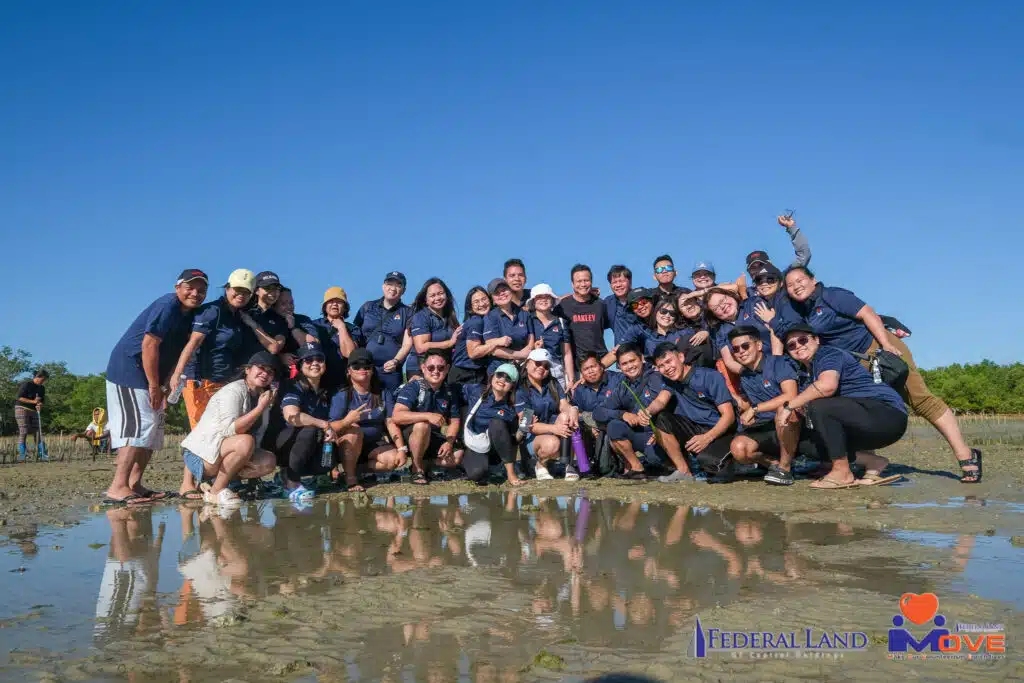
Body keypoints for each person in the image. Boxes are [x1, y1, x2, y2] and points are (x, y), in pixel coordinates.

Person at [780, 266, 981, 483]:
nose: (796, 286)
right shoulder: (805, 312)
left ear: (813, 280)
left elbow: (867, 313)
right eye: (790, 285)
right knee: (862, 406)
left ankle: (966, 455)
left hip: (876, 349)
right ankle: (871, 464)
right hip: (853, 363)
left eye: (800, 280)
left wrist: (886, 344)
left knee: (920, 400)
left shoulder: (832, 296)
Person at [103, 269, 208, 505]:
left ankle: (135, 484)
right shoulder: (167, 305)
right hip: (130, 371)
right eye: (190, 287)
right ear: (177, 287)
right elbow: (149, 344)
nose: (195, 293)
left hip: (154, 376)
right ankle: (117, 486)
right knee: (136, 428)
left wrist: (165, 384)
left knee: (152, 430)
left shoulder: (191, 315)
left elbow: (177, 352)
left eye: (201, 290)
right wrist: (153, 385)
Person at [777, 324, 908, 489]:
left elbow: (827, 386)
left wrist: (789, 406)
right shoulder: (805, 372)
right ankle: (873, 462)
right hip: (863, 421)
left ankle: (842, 473)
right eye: (791, 345)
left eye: (803, 340)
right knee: (806, 444)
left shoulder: (828, 354)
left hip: (888, 415)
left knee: (820, 406)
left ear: (816, 340)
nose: (798, 346)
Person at [179, 351, 279, 508]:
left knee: (268, 461)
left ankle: (218, 483)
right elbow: (230, 430)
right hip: (201, 456)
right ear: (247, 370)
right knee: (245, 442)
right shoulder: (233, 391)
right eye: (261, 368)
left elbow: (258, 435)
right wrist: (260, 408)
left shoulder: (262, 396)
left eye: (270, 372)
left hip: (224, 452)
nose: (265, 374)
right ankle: (216, 492)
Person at [725, 326, 815, 485]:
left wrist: (755, 409)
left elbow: (791, 396)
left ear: (759, 345)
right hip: (764, 425)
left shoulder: (778, 363)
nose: (741, 351)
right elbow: (748, 403)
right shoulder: (745, 375)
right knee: (738, 449)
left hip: (793, 425)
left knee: (785, 409)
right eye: (736, 349)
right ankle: (776, 465)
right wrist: (738, 403)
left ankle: (785, 470)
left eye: (745, 346)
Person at [170, 268, 258, 429]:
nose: (241, 295)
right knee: (202, 432)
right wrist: (177, 374)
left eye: (246, 292)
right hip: (200, 380)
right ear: (227, 288)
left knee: (220, 432)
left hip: (224, 382)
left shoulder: (239, 316)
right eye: (237, 289)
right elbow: (193, 343)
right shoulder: (211, 311)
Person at [651, 342, 736, 483]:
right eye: (661, 366)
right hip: (695, 428)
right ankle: (684, 471)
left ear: (681, 357)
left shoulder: (709, 376)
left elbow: (729, 416)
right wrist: (646, 412)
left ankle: (741, 462)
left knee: (709, 463)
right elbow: (660, 401)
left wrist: (707, 437)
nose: (667, 368)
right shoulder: (671, 381)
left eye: (669, 361)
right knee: (661, 418)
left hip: (721, 430)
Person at [329, 348, 406, 492]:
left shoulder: (383, 393)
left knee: (393, 460)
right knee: (354, 431)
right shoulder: (342, 395)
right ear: (349, 371)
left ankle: (357, 469)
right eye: (356, 366)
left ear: (372, 370)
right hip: (347, 444)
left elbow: (390, 422)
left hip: (373, 444)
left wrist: (402, 448)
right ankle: (350, 479)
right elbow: (330, 427)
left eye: (366, 366)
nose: (362, 369)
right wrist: (346, 421)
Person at [268, 341, 335, 502]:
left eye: (319, 359)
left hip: (310, 443)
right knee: (310, 430)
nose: (315, 363)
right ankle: (291, 483)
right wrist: (324, 424)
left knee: (326, 458)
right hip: (284, 442)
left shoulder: (327, 390)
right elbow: (292, 415)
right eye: (308, 360)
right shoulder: (292, 386)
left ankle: (287, 475)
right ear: (300, 365)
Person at [592, 345, 672, 480]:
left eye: (632, 361)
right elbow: (598, 412)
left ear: (641, 359)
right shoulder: (623, 386)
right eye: (624, 363)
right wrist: (623, 415)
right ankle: (636, 468)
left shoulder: (656, 377)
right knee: (614, 426)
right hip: (640, 435)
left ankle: (670, 464)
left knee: (656, 462)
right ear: (619, 366)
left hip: (661, 434)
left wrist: (660, 429)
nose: (630, 366)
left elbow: (666, 405)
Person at [391, 349, 465, 484]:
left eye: (440, 368)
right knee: (422, 425)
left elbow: (454, 421)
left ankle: (425, 463)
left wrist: (449, 442)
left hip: (432, 436)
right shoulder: (413, 387)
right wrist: (427, 416)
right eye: (431, 368)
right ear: (423, 368)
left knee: (457, 456)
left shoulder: (449, 391)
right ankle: (416, 468)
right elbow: (397, 415)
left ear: (447, 369)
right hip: (411, 436)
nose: (436, 371)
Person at [519, 349, 580, 481]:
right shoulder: (521, 389)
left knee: (567, 416)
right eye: (538, 363)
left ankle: (569, 465)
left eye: (546, 366)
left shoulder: (553, 383)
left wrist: (573, 409)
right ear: (527, 363)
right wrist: (554, 429)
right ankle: (540, 464)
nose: (542, 368)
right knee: (552, 444)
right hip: (533, 436)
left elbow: (564, 405)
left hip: (556, 428)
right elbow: (527, 425)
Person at [461, 363, 524, 486]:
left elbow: (513, 441)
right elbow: (453, 394)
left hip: (496, 451)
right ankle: (465, 460)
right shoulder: (475, 390)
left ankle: (510, 473)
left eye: (508, 379)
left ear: (512, 386)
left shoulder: (511, 409)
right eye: (500, 375)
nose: (502, 380)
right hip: (475, 443)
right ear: (492, 377)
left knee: (497, 423)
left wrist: (522, 430)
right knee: (477, 474)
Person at [353, 271, 414, 392]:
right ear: (383, 286)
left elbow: (407, 344)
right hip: (365, 369)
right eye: (389, 284)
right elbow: (355, 335)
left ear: (404, 290)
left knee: (390, 403)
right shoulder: (368, 307)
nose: (393, 288)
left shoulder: (408, 312)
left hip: (391, 372)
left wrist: (396, 361)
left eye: (398, 285)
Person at [301, 286, 364, 391]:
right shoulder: (314, 325)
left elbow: (350, 354)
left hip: (343, 385)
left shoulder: (353, 329)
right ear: (325, 306)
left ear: (345, 307)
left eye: (339, 302)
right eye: (331, 301)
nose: (334, 304)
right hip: (317, 383)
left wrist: (342, 327)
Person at [555, 264, 610, 367]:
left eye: (586, 280)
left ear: (591, 282)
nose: (583, 284)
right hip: (575, 365)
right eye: (579, 281)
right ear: (572, 284)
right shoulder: (562, 306)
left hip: (600, 363)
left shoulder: (600, 304)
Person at [406, 278, 461, 381]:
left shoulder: (450, 316)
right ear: (426, 300)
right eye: (432, 295)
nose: (438, 298)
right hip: (420, 368)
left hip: (441, 367)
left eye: (440, 293)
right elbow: (421, 347)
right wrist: (449, 343)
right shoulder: (421, 317)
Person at [451, 286, 505, 386]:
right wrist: (497, 342)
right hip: (465, 375)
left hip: (474, 373)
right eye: (476, 302)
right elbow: (473, 353)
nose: (481, 304)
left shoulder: (487, 320)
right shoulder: (476, 321)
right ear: (470, 306)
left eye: (484, 299)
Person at [528, 283, 574, 390]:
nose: (543, 300)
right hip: (533, 370)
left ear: (552, 300)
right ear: (533, 301)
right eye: (539, 297)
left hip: (556, 371)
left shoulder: (561, 322)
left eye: (547, 297)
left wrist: (571, 380)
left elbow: (567, 353)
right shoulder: (527, 319)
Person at [483, 278, 533, 374]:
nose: (502, 293)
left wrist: (520, 360)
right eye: (497, 293)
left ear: (510, 290)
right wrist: (519, 355)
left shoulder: (524, 314)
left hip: (522, 368)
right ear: (492, 299)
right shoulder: (490, 317)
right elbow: (492, 348)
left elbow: (530, 341)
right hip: (499, 371)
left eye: (504, 290)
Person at [745, 213, 812, 278]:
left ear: (770, 265)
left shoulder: (784, 280)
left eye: (761, 265)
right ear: (749, 272)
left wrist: (791, 227)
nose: (758, 270)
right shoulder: (745, 286)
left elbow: (804, 255)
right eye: (753, 268)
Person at [240, 271, 288, 360]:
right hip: (240, 366)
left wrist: (254, 325)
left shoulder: (280, 320)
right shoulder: (243, 311)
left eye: (276, 288)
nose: (273, 292)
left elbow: (274, 348)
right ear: (256, 290)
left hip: (266, 367)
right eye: (268, 288)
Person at [273, 286, 314, 371]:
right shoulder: (269, 320)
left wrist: (293, 327)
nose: (289, 306)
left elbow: (313, 345)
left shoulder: (303, 320)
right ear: (274, 305)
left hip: (302, 370)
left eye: (291, 303)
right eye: (283, 304)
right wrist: (280, 357)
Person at [13, 369, 48, 462]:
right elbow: (19, 397)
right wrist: (33, 401)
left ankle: (42, 453)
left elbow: (41, 400)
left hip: (33, 410)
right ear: (37, 377)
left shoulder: (42, 388)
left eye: (45, 380)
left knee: (38, 431)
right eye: (43, 379)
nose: (43, 382)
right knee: (23, 431)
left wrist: (40, 404)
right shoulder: (27, 384)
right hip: (21, 408)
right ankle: (22, 454)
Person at [603, 265, 638, 346]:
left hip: (642, 350)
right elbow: (596, 323)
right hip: (621, 351)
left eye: (622, 281)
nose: (618, 285)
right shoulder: (608, 302)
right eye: (614, 282)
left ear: (630, 281)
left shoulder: (639, 299)